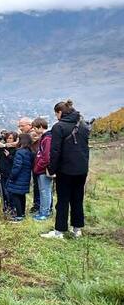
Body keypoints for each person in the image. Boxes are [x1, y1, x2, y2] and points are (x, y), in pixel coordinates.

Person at [41, 100, 90, 239]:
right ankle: (77, 229)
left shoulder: (59, 127)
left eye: (56, 113)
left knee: (63, 200)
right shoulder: (83, 125)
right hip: (81, 169)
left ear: (60, 112)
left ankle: (59, 231)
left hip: (65, 169)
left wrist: (51, 169)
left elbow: (55, 151)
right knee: (77, 199)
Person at [6, 133, 34, 222]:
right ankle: (22, 213)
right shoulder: (29, 152)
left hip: (18, 177)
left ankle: (18, 215)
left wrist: (12, 176)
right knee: (21, 195)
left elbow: (17, 166)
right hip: (25, 176)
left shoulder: (20, 152)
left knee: (15, 195)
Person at [32, 118, 53, 221]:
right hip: (41, 169)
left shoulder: (47, 138)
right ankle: (42, 211)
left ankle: (45, 213)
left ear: (40, 127)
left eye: (35, 128)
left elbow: (46, 157)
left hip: (44, 170)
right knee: (43, 191)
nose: (34, 131)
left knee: (45, 191)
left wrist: (38, 167)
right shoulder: (44, 137)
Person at [0, 131, 18, 213]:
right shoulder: (3, 148)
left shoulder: (16, 150)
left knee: (9, 192)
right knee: (3, 191)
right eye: (7, 138)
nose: (8, 140)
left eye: (11, 138)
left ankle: (12, 207)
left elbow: (16, 162)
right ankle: (6, 205)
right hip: (2, 172)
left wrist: (9, 156)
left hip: (10, 173)